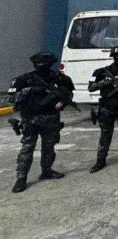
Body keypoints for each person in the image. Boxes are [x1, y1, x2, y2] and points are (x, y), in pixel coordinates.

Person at [8, 52, 75, 193]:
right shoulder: (24, 79)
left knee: (49, 147)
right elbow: (12, 99)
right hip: (30, 118)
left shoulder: (61, 79)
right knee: (27, 148)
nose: (42, 65)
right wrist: (30, 90)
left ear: (51, 63)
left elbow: (69, 94)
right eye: (38, 62)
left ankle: (47, 170)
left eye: (45, 62)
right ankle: (21, 178)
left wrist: (62, 102)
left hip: (51, 117)